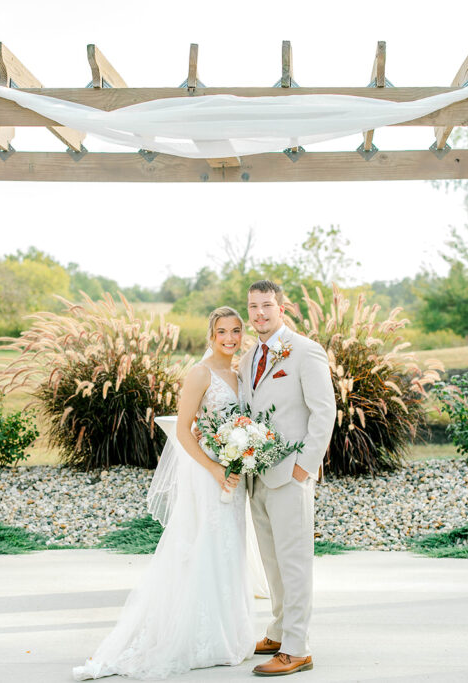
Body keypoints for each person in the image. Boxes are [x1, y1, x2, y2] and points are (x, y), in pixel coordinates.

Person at [73, 306, 256, 680]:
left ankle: (225, 635)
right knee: (206, 547)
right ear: (211, 336)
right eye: (222, 331)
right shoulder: (200, 373)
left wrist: (240, 456)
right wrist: (214, 468)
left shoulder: (240, 374)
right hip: (208, 474)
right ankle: (197, 637)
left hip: (232, 475)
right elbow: (184, 431)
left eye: (236, 331)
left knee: (229, 549)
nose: (230, 338)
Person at [240, 280, 336, 677]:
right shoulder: (249, 357)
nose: (259, 313)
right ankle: (279, 631)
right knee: (272, 562)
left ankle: (297, 648)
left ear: (282, 308)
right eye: (253, 306)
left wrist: (304, 467)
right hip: (258, 476)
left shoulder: (305, 350)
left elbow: (324, 411)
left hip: (290, 476)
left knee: (294, 563)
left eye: (267, 305)